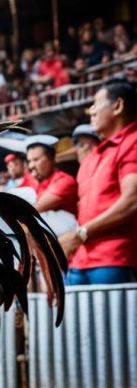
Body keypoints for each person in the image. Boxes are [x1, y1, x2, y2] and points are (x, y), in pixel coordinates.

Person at [59, 79, 137, 286]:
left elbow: (132, 201)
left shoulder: (133, 141)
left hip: (114, 257)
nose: (90, 111)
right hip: (80, 259)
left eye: (96, 104)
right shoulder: (93, 157)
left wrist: (80, 234)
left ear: (118, 106)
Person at [27, 142, 78, 214]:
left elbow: (34, 210)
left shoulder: (64, 180)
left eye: (36, 160)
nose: (31, 166)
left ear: (51, 160)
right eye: (29, 161)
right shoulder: (38, 181)